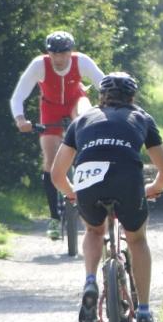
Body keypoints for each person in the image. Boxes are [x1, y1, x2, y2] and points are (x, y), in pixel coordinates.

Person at [50, 72, 163, 322]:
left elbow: (57, 174)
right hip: (126, 179)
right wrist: (153, 189)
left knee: (94, 230)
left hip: (88, 179)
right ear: (132, 97)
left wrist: (74, 194)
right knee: (137, 240)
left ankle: (90, 281)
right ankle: (144, 313)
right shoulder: (142, 118)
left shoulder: (82, 120)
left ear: (101, 96)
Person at [10, 31, 105, 240]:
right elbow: (18, 96)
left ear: (71, 52)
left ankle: (89, 180)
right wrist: (20, 120)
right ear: (48, 53)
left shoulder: (82, 61)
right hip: (50, 108)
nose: (59, 58)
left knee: (86, 119)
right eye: (54, 53)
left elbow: (104, 85)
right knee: (50, 161)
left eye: (63, 53)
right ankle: (54, 216)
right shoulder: (39, 65)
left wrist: (107, 110)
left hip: (76, 102)